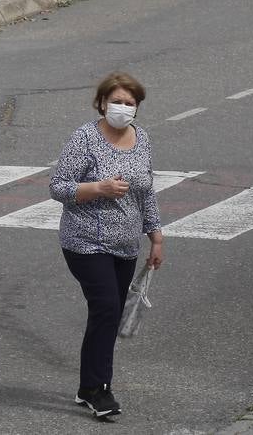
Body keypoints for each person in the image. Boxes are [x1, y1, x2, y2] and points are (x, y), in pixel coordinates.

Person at [49, 72, 163, 418]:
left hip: (126, 245)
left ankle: (90, 387)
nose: (122, 108)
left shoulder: (141, 138)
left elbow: (146, 191)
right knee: (106, 309)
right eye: (116, 101)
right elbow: (58, 186)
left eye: (130, 103)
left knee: (107, 317)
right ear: (101, 102)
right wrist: (97, 188)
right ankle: (100, 391)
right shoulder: (84, 138)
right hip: (85, 242)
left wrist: (156, 236)